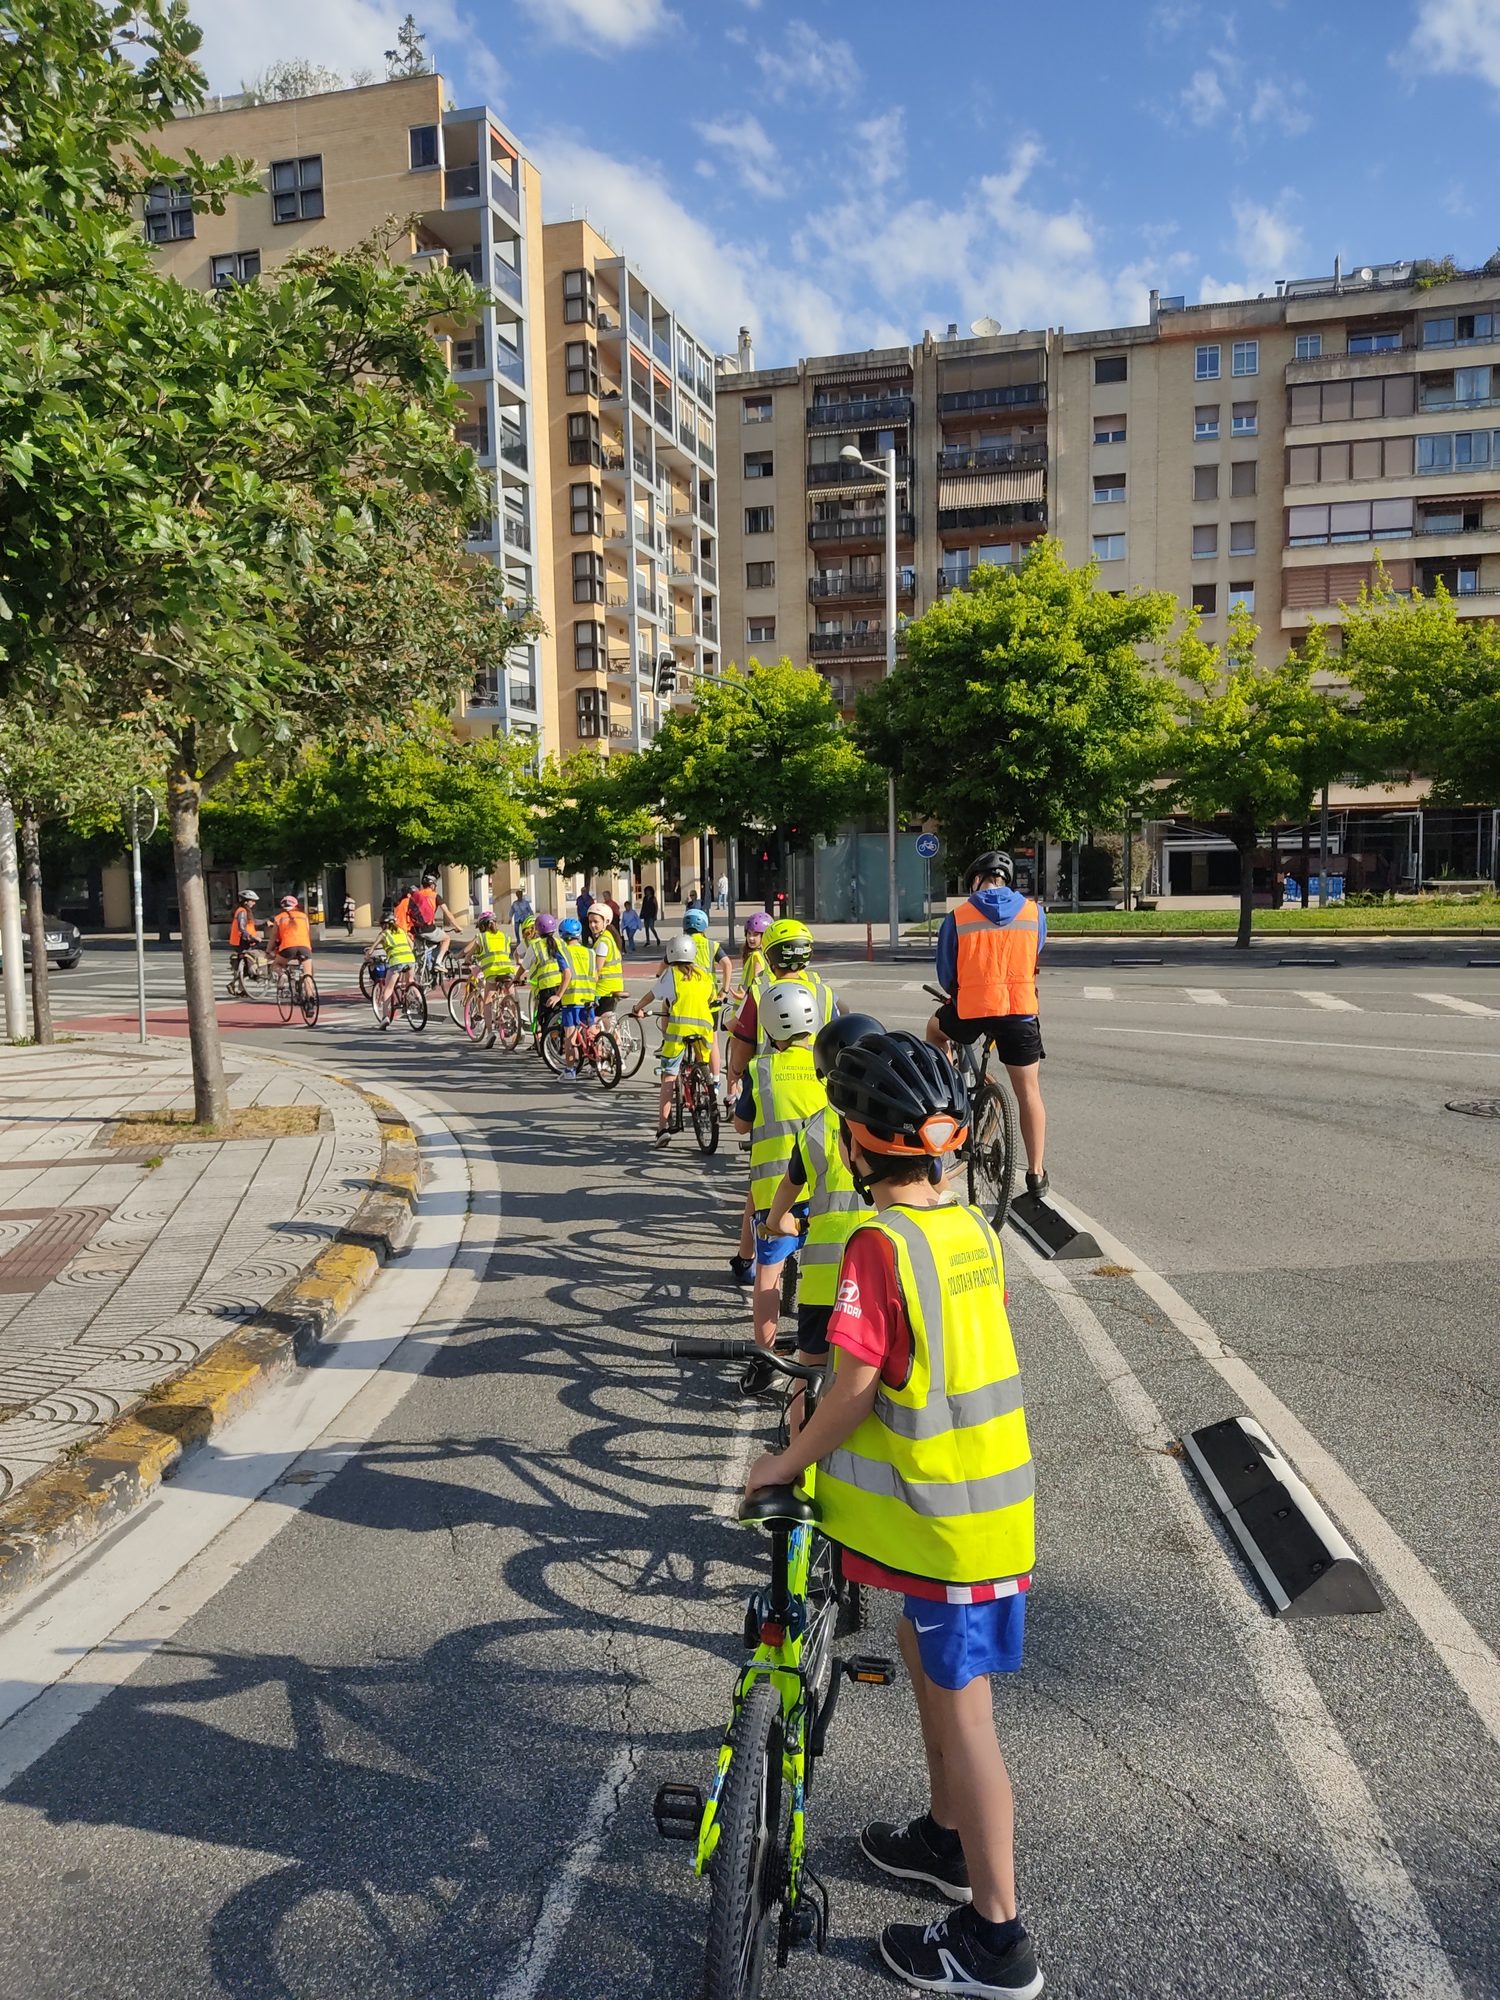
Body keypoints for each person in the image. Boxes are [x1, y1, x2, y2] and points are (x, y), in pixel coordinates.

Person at [745, 1031, 1041, 1999]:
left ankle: (996, 1938)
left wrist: (785, 1456)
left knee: (969, 1723)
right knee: (930, 1677)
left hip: (949, 1520)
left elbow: (861, 1386)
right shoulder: (965, 1229)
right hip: (970, 1509)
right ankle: (943, 1839)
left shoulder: (878, 1242)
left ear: (858, 1142)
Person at [761, 1010, 883, 1408]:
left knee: (809, 1369)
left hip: (822, 1276)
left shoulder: (814, 1128)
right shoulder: (891, 1118)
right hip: (880, 1268)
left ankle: (799, 1455)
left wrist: (781, 1221)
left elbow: (787, 1190)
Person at [926, 849, 1049, 1200]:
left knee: (935, 1031)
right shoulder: (1033, 913)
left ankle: (948, 1092)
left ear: (976, 881)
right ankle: (1036, 1174)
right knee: (1029, 1094)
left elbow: (947, 974)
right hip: (1020, 1012)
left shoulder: (958, 917)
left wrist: (959, 994)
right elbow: (1033, 953)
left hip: (972, 1011)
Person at [726, 917, 838, 1286]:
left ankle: (747, 1257)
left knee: (760, 1182)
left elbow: (742, 1043)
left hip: (768, 1092)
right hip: (815, 1093)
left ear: (770, 954)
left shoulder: (761, 990)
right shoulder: (823, 991)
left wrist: (734, 1076)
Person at [732, 981, 826, 1350]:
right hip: (824, 1185)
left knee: (767, 1276)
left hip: (775, 1190)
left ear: (769, 1028)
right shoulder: (825, 1064)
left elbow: (741, 1124)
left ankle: (766, 1355)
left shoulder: (761, 1069)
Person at [630, 933, 715, 1146]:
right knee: (702, 1063)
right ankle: (706, 1084)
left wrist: (637, 1008)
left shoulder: (671, 975)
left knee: (668, 1077)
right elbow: (711, 998)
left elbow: (651, 995)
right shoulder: (704, 974)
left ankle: (662, 1128)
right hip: (704, 1031)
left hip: (678, 1032)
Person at [461, 909, 516, 1049]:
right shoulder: (504, 936)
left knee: (487, 1001)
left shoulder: (482, 937)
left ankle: (490, 1033)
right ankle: (517, 1024)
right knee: (511, 996)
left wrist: (467, 960)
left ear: (482, 925)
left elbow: (469, 954)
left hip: (492, 972)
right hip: (508, 970)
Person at [557, 915, 595, 1076]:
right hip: (589, 996)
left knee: (570, 1035)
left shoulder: (563, 952)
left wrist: (558, 995)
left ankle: (570, 1071)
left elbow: (567, 975)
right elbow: (596, 975)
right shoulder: (590, 952)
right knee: (591, 1033)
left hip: (572, 999)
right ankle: (596, 1067)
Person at [366, 910, 416, 1021]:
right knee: (411, 981)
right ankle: (419, 1000)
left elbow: (371, 949)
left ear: (383, 924)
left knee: (388, 988)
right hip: (410, 959)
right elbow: (412, 944)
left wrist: (367, 957)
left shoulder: (384, 934)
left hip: (396, 962)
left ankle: (385, 1018)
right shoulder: (402, 931)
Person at [410, 871, 459, 973]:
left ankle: (421, 974)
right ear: (432, 885)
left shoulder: (416, 895)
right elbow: (448, 913)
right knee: (446, 939)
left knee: (420, 953)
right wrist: (458, 926)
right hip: (428, 928)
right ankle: (438, 963)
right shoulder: (435, 895)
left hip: (415, 929)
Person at [586, 903, 625, 1026]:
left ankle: (611, 1041)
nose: (592, 925)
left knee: (591, 1020)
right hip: (615, 985)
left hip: (604, 988)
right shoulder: (611, 937)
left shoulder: (603, 942)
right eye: (590, 922)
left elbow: (597, 969)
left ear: (606, 921)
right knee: (607, 1021)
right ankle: (616, 1040)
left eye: (596, 922)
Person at [268, 894, 313, 980]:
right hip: (305, 947)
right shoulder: (304, 916)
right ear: (296, 905)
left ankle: (282, 974)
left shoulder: (278, 918)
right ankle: (309, 992)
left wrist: (268, 951)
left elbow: (273, 937)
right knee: (308, 973)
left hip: (287, 947)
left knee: (275, 965)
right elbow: (307, 931)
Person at [227, 890, 262, 990]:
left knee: (242, 964)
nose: (254, 903)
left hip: (240, 940)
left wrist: (267, 921)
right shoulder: (242, 911)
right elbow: (241, 927)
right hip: (242, 941)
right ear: (246, 901)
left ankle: (238, 986)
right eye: (253, 901)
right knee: (252, 958)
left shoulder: (243, 911)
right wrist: (252, 937)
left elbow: (253, 923)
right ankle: (255, 975)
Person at [639, 883, 661, 948]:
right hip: (646, 915)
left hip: (651, 915)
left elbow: (656, 907)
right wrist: (641, 913)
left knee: (651, 927)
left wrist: (655, 915)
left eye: (648, 891)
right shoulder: (645, 898)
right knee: (646, 928)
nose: (647, 892)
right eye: (646, 891)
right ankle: (648, 941)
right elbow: (643, 906)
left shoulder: (653, 898)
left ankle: (657, 938)